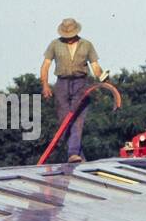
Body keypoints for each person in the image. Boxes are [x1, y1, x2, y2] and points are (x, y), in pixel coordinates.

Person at [40, 18, 104, 163]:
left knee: (77, 119)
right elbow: (45, 66)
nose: (68, 39)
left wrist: (103, 77)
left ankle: (73, 153)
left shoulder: (87, 45)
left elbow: (95, 66)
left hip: (81, 83)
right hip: (61, 84)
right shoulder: (54, 44)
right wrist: (45, 85)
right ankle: (79, 157)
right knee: (65, 121)